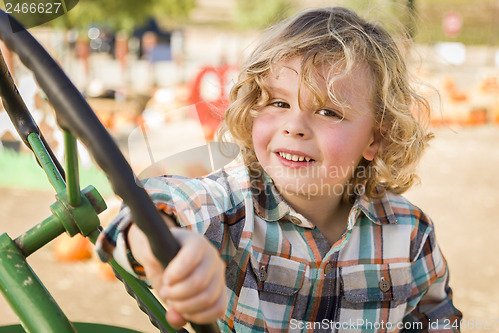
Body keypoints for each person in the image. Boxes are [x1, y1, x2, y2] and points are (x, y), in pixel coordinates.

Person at [96, 7, 462, 332]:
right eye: (279, 102)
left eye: (328, 111)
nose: (294, 126)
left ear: (375, 137)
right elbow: (154, 207)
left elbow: (436, 318)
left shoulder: (410, 235)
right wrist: (167, 243)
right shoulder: (231, 210)